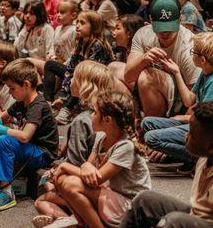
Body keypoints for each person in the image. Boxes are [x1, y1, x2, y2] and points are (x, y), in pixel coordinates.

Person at [119, 100, 213, 228]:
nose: (186, 136)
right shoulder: (212, 154)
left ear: (212, 146)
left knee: (174, 222)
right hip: (198, 215)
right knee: (144, 200)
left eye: (192, 135)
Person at [0, 59, 59, 212]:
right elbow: (0, 118)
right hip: (28, 147)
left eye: (12, 88)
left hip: (42, 153)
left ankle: (6, 191)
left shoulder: (38, 106)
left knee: (4, 140)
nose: (9, 92)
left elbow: (25, 136)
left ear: (27, 85)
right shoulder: (22, 101)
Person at [33, 61, 117, 228]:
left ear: (85, 86)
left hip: (90, 185)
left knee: (42, 198)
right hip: (111, 187)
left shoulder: (82, 121)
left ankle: (67, 219)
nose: (69, 81)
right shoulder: (110, 115)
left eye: (74, 78)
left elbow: (76, 162)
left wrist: (57, 171)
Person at [51, 90, 151, 228]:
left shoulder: (126, 146)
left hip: (131, 207)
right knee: (62, 179)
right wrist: (86, 165)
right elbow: (88, 169)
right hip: (112, 196)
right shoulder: (101, 138)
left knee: (71, 183)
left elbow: (97, 179)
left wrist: (64, 166)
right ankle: (83, 223)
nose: (91, 116)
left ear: (107, 120)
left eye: (95, 113)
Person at [142, 32, 213, 173]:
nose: (191, 54)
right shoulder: (206, 72)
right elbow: (189, 100)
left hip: (209, 131)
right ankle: (183, 154)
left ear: (202, 59)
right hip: (199, 123)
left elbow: (206, 121)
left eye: (194, 52)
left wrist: (185, 118)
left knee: (151, 138)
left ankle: (196, 157)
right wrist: (176, 72)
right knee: (147, 122)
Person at [123, 0, 201, 117]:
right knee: (113, 69)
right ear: (151, 20)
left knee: (146, 77)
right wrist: (144, 59)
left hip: (181, 98)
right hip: (149, 90)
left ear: (180, 20)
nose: (165, 33)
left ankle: (152, 125)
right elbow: (128, 77)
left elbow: (194, 98)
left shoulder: (190, 45)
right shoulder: (143, 33)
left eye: (169, 27)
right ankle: (133, 120)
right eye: (160, 28)